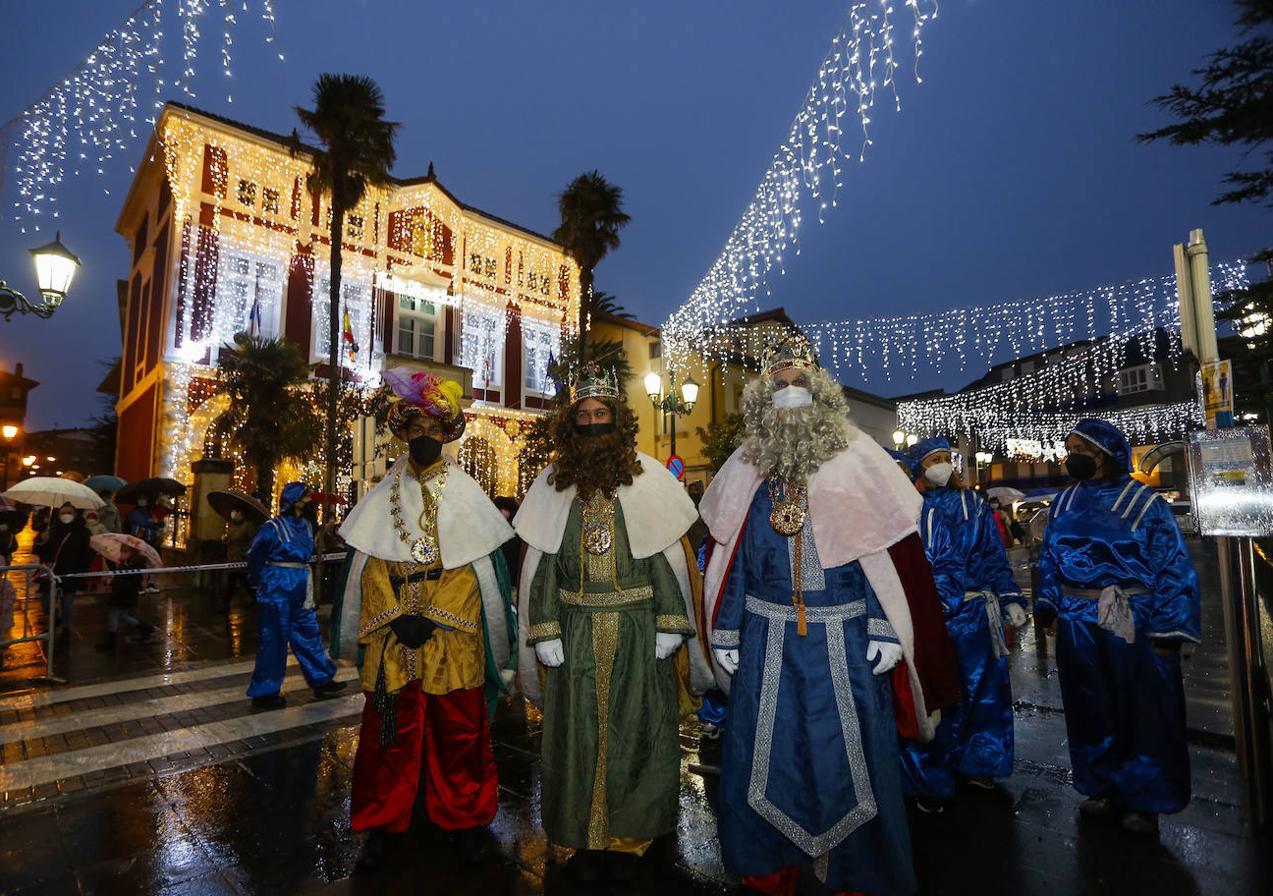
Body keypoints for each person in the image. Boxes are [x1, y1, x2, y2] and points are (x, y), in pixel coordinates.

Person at [699, 335, 956, 896]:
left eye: (800, 383)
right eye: (780, 384)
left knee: (850, 757)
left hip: (846, 637)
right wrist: (724, 629)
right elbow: (734, 553)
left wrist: (887, 626)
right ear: (764, 395)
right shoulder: (746, 466)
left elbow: (882, 556)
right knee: (767, 758)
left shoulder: (858, 457)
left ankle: (856, 874)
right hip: (766, 638)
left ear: (820, 390)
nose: (791, 393)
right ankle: (772, 866)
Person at [514, 363, 709, 883]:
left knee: (639, 733)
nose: (593, 422)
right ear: (571, 423)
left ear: (617, 420)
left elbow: (663, 555)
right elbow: (544, 566)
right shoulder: (554, 486)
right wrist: (546, 628)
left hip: (639, 633)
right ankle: (582, 830)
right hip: (575, 633)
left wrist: (672, 621)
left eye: (602, 413)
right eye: (584, 415)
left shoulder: (647, 480)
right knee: (574, 738)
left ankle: (633, 829)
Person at [332, 370, 517, 870]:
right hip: (393, 640)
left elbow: (472, 570)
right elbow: (370, 566)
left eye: (434, 430)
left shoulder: (466, 493)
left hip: (450, 640)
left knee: (459, 733)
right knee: (388, 736)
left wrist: (433, 618)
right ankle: (383, 823)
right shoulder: (381, 494)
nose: (425, 438)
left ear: (447, 434)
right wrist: (395, 617)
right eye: (416, 430)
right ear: (404, 433)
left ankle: (465, 821)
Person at [1036, 419, 1200, 835]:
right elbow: (1050, 559)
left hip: (1133, 617)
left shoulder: (1146, 504)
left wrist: (1169, 630)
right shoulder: (1063, 502)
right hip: (1077, 620)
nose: (1070, 456)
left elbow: (1174, 569)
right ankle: (1103, 785)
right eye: (1068, 447)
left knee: (1142, 707)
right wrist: (1048, 604)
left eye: (1080, 450)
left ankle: (1145, 800)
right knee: (1090, 705)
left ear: (1106, 454)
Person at [902, 436, 1027, 807]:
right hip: (928, 618)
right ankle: (931, 775)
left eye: (946, 458)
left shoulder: (973, 504)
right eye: (933, 459)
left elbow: (992, 556)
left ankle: (980, 763)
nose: (942, 464)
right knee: (936, 698)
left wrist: (1010, 598)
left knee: (983, 694)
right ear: (917, 467)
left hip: (974, 613)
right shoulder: (908, 509)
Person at [244, 482, 347, 709]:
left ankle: (321, 679)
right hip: (277, 587)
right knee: (274, 639)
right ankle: (265, 691)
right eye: (306, 497)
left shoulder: (306, 526)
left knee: (309, 633)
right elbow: (254, 555)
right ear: (294, 501)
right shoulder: (272, 527)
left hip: (301, 585)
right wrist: (259, 581)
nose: (310, 502)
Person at [35, 503, 94, 641]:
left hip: (71, 572)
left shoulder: (83, 532)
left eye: (69, 512)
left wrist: (80, 569)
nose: (66, 515)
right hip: (51, 572)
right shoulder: (52, 529)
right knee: (46, 599)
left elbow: (87, 553)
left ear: (75, 514)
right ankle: (55, 618)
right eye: (63, 512)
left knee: (67, 602)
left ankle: (66, 627)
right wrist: (40, 540)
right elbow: (39, 549)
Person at [97, 545, 158, 650]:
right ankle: (147, 628)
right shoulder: (125, 563)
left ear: (131, 553)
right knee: (123, 616)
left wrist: (114, 582)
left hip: (124, 595)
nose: (121, 554)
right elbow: (121, 578)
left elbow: (131, 581)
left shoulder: (135, 565)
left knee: (113, 615)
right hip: (122, 594)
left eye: (124, 552)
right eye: (121, 552)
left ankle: (111, 643)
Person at [126, 497, 163, 593]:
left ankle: (151, 584)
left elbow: (161, 521)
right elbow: (142, 522)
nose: (143, 500)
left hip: (153, 540)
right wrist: (154, 522)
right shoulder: (134, 512)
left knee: (154, 562)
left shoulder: (151, 510)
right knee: (139, 562)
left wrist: (156, 522)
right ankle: (138, 585)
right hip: (139, 541)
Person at [224, 508, 258, 606]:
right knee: (232, 583)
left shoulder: (248, 526)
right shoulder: (232, 525)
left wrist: (245, 551)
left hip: (241, 559)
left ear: (241, 513)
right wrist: (226, 540)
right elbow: (230, 539)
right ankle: (226, 605)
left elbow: (252, 541)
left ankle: (255, 599)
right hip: (232, 558)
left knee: (244, 582)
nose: (233, 513)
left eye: (236, 511)